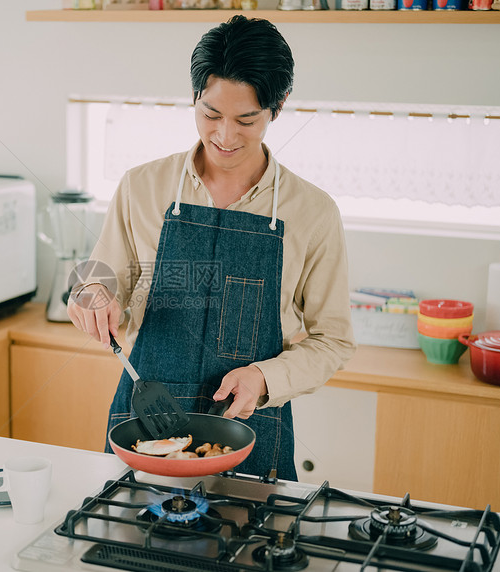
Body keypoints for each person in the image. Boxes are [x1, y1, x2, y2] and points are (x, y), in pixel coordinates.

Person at [67, 15, 355, 480]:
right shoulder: (141, 186)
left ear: (277, 107)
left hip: (248, 429)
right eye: (210, 114)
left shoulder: (313, 212)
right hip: (146, 420)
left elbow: (334, 339)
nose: (224, 136)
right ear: (194, 98)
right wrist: (90, 297)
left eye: (246, 120)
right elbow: (101, 279)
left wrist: (266, 379)